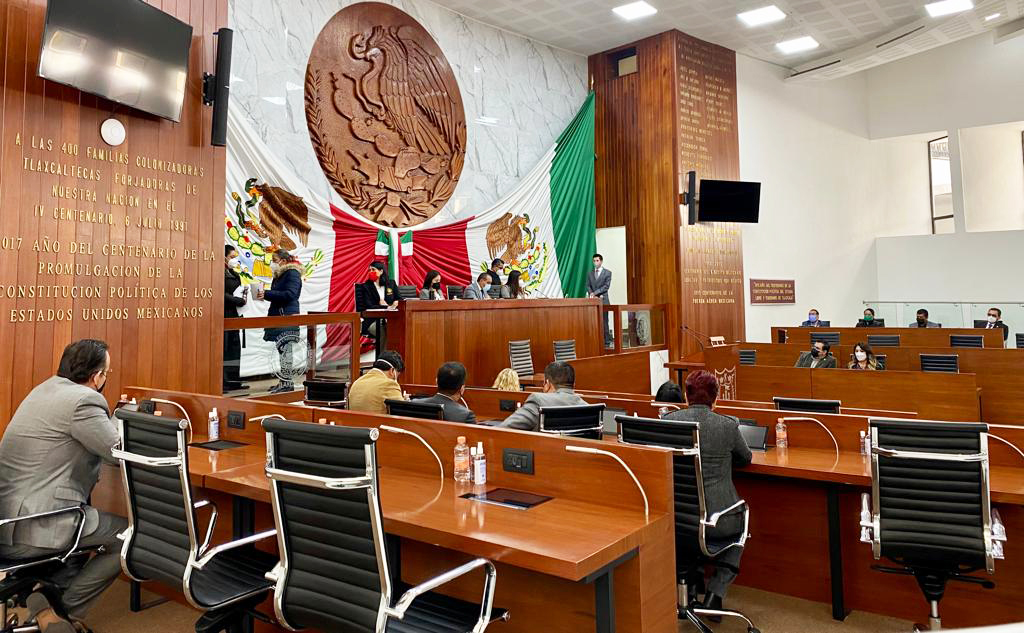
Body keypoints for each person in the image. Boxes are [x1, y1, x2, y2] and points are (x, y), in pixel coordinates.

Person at [0, 340, 128, 633]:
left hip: (6, 521)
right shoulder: (85, 400)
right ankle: (59, 611)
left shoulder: (43, 389)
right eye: (106, 373)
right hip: (34, 526)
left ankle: (43, 599)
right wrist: (124, 419)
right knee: (127, 537)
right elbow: (117, 452)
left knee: (87, 519)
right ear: (97, 377)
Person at [662, 370, 751, 613]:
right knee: (742, 526)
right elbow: (745, 458)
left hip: (677, 518)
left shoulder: (668, 421)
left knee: (689, 536)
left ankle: (691, 585)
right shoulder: (728, 425)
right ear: (716, 398)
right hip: (718, 521)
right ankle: (715, 593)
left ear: (686, 396)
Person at [256, 249, 303, 393]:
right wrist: (265, 295)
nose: (272, 263)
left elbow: (290, 294)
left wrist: (267, 293)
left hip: (286, 316)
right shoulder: (280, 275)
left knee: (285, 351)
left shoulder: (292, 273)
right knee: (282, 350)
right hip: (279, 315)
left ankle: (286, 383)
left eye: (274, 260)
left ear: (283, 261)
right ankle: (284, 381)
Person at [500, 361, 587, 432]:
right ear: (573, 384)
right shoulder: (586, 407)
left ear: (547, 384)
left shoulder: (538, 401)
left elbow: (503, 429)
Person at [356, 261, 402, 350]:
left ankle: (395, 355)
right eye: (369, 270)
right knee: (383, 331)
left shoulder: (391, 284)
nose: (371, 272)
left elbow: (400, 299)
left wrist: (396, 302)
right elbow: (369, 306)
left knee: (398, 329)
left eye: (373, 269)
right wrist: (387, 307)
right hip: (372, 320)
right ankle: (383, 357)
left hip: (390, 319)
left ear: (381, 271)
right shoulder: (366, 286)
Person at [223, 245, 248, 392]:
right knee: (225, 348)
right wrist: (236, 300)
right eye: (232, 257)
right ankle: (223, 382)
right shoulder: (218, 272)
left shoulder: (233, 272)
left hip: (235, 313)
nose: (235, 260)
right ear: (224, 257)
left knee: (234, 348)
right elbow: (219, 292)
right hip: (224, 313)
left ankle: (234, 380)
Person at [587, 254, 612, 344]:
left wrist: (595, 293)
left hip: (603, 300)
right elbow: (588, 285)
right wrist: (591, 294)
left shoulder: (607, 273)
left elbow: (606, 286)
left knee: (604, 321)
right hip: (593, 301)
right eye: (594, 261)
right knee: (594, 321)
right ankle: (596, 340)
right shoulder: (590, 273)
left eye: (597, 260)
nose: (595, 262)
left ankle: (606, 340)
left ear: (601, 261)